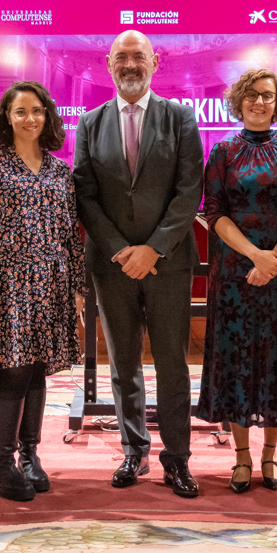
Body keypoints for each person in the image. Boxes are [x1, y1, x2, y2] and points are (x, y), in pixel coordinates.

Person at [72, 30, 205, 497]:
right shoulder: (89, 123)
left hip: (167, 264)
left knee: (173, 363)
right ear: (109, 63)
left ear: (155, 62)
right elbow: (85, 193)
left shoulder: (180, 118)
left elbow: (190, 191)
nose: (130, 64)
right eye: (122, 57)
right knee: (123, 363)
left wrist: (153, 249)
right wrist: (120, 249)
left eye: (138, 57)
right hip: (112, 266)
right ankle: (134, 450)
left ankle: (177, 458)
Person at [197, 69, 277, 494]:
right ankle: (242, 458)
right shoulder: (223, 151)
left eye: (267, 95)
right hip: (234, 272)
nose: (259, 102)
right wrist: (256, 257)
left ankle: (269, 456)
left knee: (275, 360)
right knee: (237, 360)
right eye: (251, 95)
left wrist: (275, 260)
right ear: (239, 101)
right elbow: (215, 213)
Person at [0, 81, 85, 501]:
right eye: (21, 111)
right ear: (6, 118)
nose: (30, 118)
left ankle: (30, 457)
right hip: (8, 287)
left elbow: (71, 235)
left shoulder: (60, 172)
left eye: (38, 111)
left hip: (51, 285)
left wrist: (76, 287)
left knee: (37, 369)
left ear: (48, 116)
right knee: (12, 371)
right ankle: (3, 465)